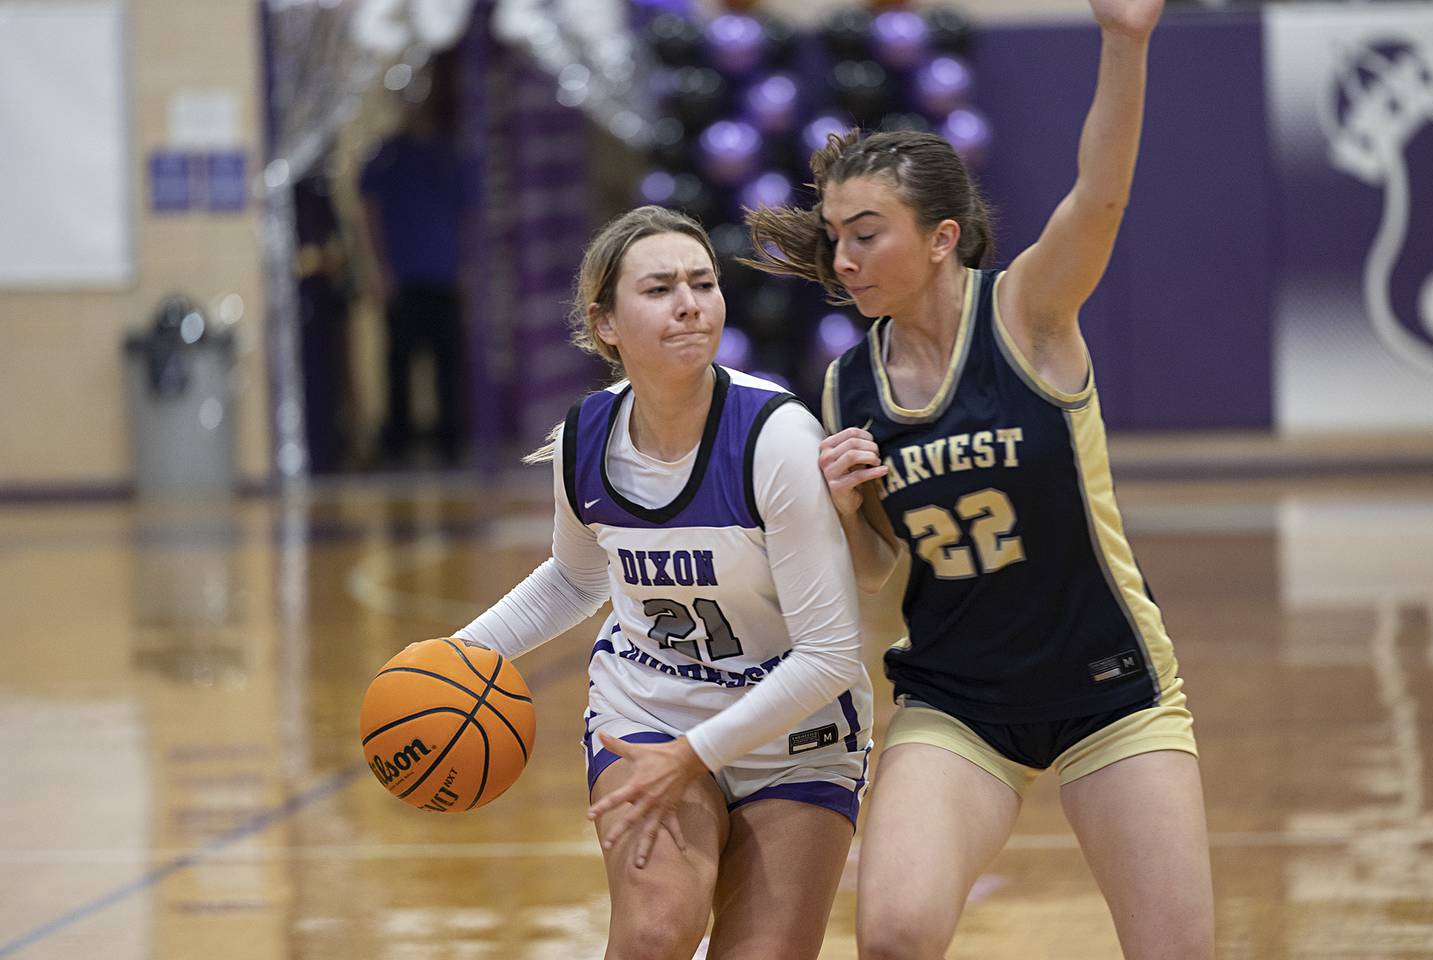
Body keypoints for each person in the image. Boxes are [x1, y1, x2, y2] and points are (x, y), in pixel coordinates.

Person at [745, 2, 1215, 958]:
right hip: (959, 700)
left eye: (866, 233)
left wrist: (1124, 44)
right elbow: (876, 570)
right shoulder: (848, 381)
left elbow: (1101, 196)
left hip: (1109, 688)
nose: (842, 258)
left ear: (942, 238)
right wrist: (842, 511)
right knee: (895, 936)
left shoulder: (1031, 315)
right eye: (835, 235)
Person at [447, 205, 873, 960]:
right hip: (651, 711)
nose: (689, 303)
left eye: (703, 283)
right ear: (604, 322)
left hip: (795, 731)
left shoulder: (774, 438)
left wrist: (695, 755)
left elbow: (831, 655)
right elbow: (576, 582)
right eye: (660, 288)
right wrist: (457, 657)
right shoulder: (586, 435)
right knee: (652, 933)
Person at [360, 62, 467, 465]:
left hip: (443, 274)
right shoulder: (386, 156)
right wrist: (379, 268)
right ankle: (398, 444)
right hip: (401, 277)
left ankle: (450, 444)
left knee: (446, 364)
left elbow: (467, 214)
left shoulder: (447, 154)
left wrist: (466, 266)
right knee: (399, 364)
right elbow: (368, 212)